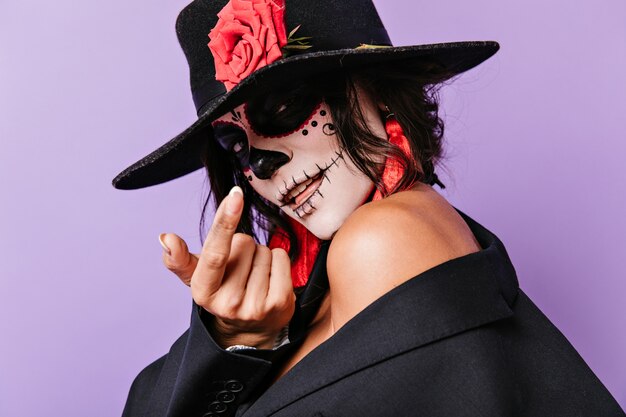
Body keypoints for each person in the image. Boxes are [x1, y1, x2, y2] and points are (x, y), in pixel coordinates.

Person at [112, 0, 626, 416]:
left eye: (283, 108)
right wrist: (237, 345)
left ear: (375, 87)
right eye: (236, 146)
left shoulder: (385, 237)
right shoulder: (314, 286)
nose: (262, 166)